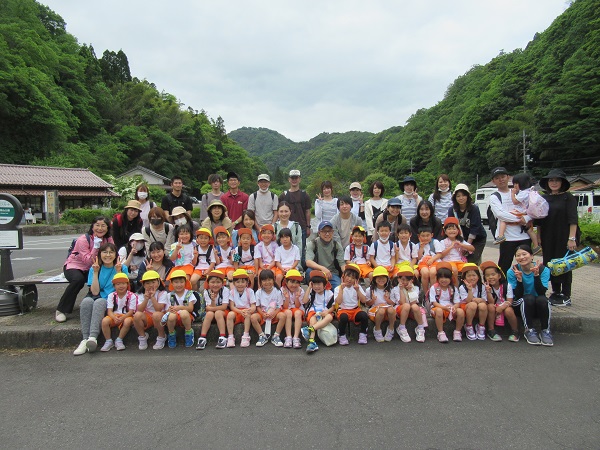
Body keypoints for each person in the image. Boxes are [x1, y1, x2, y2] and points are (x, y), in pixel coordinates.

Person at [73, 243, 128, 355]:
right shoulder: (95, 268)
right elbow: (94, 292)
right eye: (105, 252)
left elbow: (121, 290)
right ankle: (84, 339)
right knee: (86, 302)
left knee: (100, 302)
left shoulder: (122, 268)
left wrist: (118, 272)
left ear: (116, 255)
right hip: (97, 296)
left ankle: (93, 338)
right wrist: (95, 272)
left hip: (113, 300)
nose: (108, 255)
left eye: (111, 252)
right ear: (100, 254)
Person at [56, 216, 113, 323]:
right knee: (78, 280)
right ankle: (61, 310)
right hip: (75, 266)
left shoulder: (108, 239)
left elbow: (113, 254)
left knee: (103, 278)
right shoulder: (83, 239)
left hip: (94, 268)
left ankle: (99, 305)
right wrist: (96, 246)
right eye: (97, 225)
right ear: (92, 226)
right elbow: (88, 261)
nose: (100, 228)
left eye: (103, 226)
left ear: (107, 228)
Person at [537, 169, 579, 306]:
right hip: (548, 236)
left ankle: (566, 294)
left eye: (557, 180)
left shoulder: (568, 197)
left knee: (565, 264)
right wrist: (538, 237)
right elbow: (540, 220)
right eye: (551, 180)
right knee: (551, 263)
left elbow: (573, 219)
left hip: (564, 236)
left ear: (562, 182)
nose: (554, 183)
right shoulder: (544, 198)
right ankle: (555, 292)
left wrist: (572, 238)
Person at [507, 245, 553, 346]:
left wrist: (536, 276)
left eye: (524, 254)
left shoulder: (543, 270)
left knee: (543, 299)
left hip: (538, 305)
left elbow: (541, 292)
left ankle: (546, 331)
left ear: (532, 256)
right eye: (518, 255)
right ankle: (529, 330)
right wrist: (519, 280)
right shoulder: (512, 271)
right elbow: (517, 295)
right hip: (522, 305)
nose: (521, 257)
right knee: (528, 298)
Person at [489, 167, 532, 275]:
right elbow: (500, 214)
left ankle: (526, 285)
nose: (501, 180)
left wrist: (526, 219)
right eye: (497, 178)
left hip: (524, 235)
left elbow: (531, 209)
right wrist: (521, 219)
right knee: (504, 266)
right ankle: (503, 286)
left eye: (503, 176)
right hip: (507, 238)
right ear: (493, 181)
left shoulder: (519, 193)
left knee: (527, 265)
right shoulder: (494, 197)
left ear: (508, 177)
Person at [494, 173, 541, 255]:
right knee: (530, 230)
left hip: (521, 212)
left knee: (503, 220)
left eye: (516, 183)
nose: (514, 185)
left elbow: (515, 202)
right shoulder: (531, 190)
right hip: (527, 213)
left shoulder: (523, 193)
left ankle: (500, 236)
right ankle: (536, 246)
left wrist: (512, 194)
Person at [447, 184, 487, 265]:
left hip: (477, 239)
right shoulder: (452, 210)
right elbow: (450, 227)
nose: (461, 198)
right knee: (461, 260)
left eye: (463, 195)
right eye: (458, 196)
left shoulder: (474, 209)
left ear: (468, 196)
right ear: (455, 198)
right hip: (461, 239)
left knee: (471, 262)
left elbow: (475, 228)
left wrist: (466, 246)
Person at [481, 261, 520, 343]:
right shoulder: (485, 287)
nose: (490, 277)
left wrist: (501, 307)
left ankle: (515, 331)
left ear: (499, 275)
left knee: (508, 310)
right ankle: (491, 330)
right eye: (487, 275)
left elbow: (509, 301)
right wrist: (488, 292)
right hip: (493, 305)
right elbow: (490, 302)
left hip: (505, 305)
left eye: (493, 274)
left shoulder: (507, 285)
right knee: (491, 307)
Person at [279, 170, 312, 266]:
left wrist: (308, 227)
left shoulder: (304, 195)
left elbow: (307, 211)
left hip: (302, 227)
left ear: (299, 179)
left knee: (301, 250)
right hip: (287, 227)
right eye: (292, 178)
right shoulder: (284, 195)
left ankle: (300, 269)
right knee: (285, 250)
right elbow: (279, 211)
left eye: (296, 178)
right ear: (289, 179)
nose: (294, 180)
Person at [100, 273, 137, 352]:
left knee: (127, 321)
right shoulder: (111, 295)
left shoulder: (132, 296)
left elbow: (131, 311)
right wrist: (114, 317)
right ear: (114, 286)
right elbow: (109, 311)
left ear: (127, 284)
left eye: (123, 283)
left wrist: (123, 317)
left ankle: (119, 339)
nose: (121, 286)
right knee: (105, 321)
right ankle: (108, 341)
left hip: (127, 315)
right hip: (115, 315)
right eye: (118, 284)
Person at [133, 270, 170, 350]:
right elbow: (139, 309)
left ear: (158, 282)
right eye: (147, 283)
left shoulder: (162, 293)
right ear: (143, 285)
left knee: (156, 314)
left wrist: (152, 297)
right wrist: (146, 299)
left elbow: (159, 309)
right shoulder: (141, 294)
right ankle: (142, 337)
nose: (151, 285)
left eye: (153, 282)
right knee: (137, 315)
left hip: (160, 316)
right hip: (148, 316)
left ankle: (161, 336)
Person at [300, 270, 335, 353]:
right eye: (314, 284)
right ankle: (311, 341)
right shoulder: (311, 292)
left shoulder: (329, 293)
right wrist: (309, 288)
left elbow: (334, 306)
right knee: (312, 320)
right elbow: (304, 301)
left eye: (319, 284)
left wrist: (327, 311)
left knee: (329, 317)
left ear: (325, 285)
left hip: (324, 311)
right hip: (313, 311)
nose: (316, 286)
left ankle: (309, 329)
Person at [334, 264, 368, 346]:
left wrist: (358, 290)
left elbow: (364, 300)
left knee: (364, 315)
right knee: (343, 317)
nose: (349, 279)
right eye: (348, 276)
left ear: (356, 280)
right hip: (343, 310)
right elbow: (338, 302)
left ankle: (363, 334)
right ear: (343, 276)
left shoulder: (357, 287)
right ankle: (341, 334)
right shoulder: (338, 288)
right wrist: (341, 290)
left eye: (353, 278)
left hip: (355, 310)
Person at [305, 221, 345, 290]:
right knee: (309, 271)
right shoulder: (312, 244)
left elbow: (342, 264)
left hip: (332, 274)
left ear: (333, 232)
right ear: (319, 233)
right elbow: (308, 262)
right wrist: (322, 268)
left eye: (329, 231)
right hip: (317, 272)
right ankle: (313, 292)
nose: (327, 234)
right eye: (324, 231)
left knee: (338, 289)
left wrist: (348, 275)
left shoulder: (337, 245)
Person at [429, 262, 463, 343]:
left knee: (461, 312)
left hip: (450, 307)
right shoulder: (434, 288)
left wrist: (454, 307)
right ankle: (441, 332)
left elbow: (457, 302)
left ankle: (457, 332)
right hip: (438, 307)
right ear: (437, 278)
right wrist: (443, 307)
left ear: (451, 278)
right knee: (439, 311)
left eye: (446, 278)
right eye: (441, 277)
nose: (444, 280)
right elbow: (434, 302)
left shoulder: (453, 288)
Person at [251, 269, 286, 347]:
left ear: (273, 280)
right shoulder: (258, 292)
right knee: (253, 317)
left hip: (274, 313)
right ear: (260, 282)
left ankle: (276, 336)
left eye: (269, 280)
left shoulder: (277, 291)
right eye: (264, 280)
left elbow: (279, 306)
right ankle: (262, 335)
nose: (267, 282)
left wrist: (274, 313)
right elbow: (258, 306)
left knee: (283, 316)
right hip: (263, 314)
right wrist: (262, 314)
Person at [163, 269, 197, 348]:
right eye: (176, 282)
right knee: (171, 315)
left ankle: (188, 332)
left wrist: (180, 307)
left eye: (181, 282)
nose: (179, 285)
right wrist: (170, 309)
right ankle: (171, 334)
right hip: (174, 317)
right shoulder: (169, 295)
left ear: (185, 282)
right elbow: (166, 310)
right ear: (172, 283)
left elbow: (190, 308)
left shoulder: (189, 293)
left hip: (187, 317)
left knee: (184, 313)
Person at [196, 270, 229, 350]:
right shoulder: (206, 292)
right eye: (212, 282)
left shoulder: (225, 290)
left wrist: (211, 308)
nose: (215, 285)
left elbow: (224, 307)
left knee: (218, 313)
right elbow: (208, 308)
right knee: (209, 314)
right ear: (208, 283)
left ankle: (222, 336)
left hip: (223, 312)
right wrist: (213, 300)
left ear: (222, 283)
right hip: (213, 312)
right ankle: (202, 337)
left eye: (218, 282)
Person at [393, 266, 426, 343]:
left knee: (415, 306)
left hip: (411, 310)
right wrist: (401, 290)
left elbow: (413, 302)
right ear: (398, 279)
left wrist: (410, 290)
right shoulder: (396, 289)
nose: (405, 282)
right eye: (403, 279)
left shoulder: (415, 288)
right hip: (401, 309)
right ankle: (402, 327)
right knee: (406, 305)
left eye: (407, 280)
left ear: (411, 280)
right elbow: (402, 302)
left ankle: (420, 328)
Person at [457, 263, 488, 341]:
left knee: (483, 305)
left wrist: (480, 300)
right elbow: (468, 301)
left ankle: (481, 326)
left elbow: (484, 300)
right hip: (467, 307)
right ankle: (469, 326)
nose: (472, 278)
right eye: (469, 276)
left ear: (478, 276)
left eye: (474, 275)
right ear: (464, 278)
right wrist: (470, 290)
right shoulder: (462, 287)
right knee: (473, 304)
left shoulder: (482, 286)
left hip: (479, 307)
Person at [365, 266, 396, 342]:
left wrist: (387, 299)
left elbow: (393, 303)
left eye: (383, 277)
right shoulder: (369, 290)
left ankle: (391, 329)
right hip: (375, 310)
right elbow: (367, 304)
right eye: (378, 277)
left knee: (391, 309)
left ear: (387, 278)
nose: (381, 279)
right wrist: (373, 300)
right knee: (381, 310)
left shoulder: (390, 289)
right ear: (374, 279)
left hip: (387, 310)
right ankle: (377, 329)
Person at [227, 269, 256, 348]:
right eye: (238, 282)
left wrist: (249, 310)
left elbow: (253, 306)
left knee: (247, 315)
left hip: (246, 310)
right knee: (230, 314)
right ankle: (230, 336)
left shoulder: (250, 291)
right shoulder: (232, 292)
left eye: (243, 282)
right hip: (237, 311)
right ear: (234, 283)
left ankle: (246, 335)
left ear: (247, 282)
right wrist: (240, 311)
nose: (240, 284)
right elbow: (232, 306)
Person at [439, 217, 474, 282]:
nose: (452, 231)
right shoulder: (443, 242)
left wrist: (461, 245)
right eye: (449, 229)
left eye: (454, 229)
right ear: (445, 231)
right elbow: (441, 255)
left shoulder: (460, 241)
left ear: (458, 231)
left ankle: (465, 285)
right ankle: (456, 286)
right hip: (448, 262)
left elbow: (472, 248)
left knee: (469, 269)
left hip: (460, 261)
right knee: (454, 270)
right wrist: (451, 247)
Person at [412, 226, 443, 296]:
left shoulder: (435, 242)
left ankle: (433, 293)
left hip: (434, 261)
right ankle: (426, 294)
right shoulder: (417, 245)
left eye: (427, 235)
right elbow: (418, 258)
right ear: (419, 236)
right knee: (425, 273)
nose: (425, 238)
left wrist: (432, 259)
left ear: (432, 235)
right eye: (423, 236)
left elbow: (439, 254)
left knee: (433, 272)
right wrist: (421, 248)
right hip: (423, 263)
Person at [281, 269, 306, 349]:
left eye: (297, 282)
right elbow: (285, 307)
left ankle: (296, 337)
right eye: (292, 282)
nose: (294, 285)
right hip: (287, 308)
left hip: (296, 308)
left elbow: (298, 306)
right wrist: (287, 298)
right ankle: (288, 337)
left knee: (298, 313)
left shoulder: (300, 290)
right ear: (286, 282)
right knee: (288, 312)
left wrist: (297, 297)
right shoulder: (282, 290)